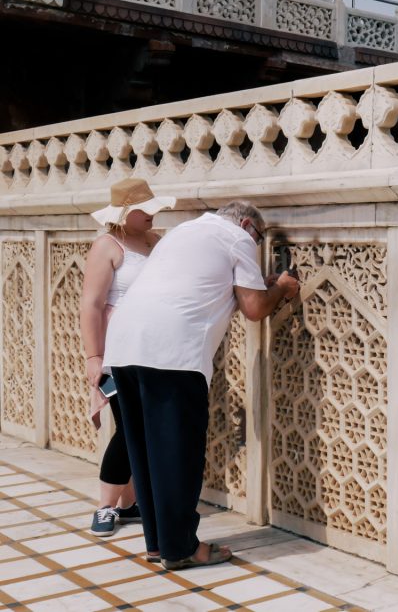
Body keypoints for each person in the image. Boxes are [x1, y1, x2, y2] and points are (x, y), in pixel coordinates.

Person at [104, 201, 299, 570]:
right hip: (172, 351)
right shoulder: (236, 237)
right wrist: (284, 287)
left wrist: (262, 286)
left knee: (145, 452)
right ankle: (182, 548)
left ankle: (160, 544)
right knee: (178, 453)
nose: (254, 245)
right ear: (246, 224)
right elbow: (256, 308)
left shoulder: (184, 231)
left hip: (125, 344)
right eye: (256, 239)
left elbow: (210, 289)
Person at [80, 178, 176, 539]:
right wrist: (93, 356)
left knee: (147, 426)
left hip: (155, 348)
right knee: (127, 428)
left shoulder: (157, 242)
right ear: (126, 212)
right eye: (146, 209)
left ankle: (130, 504)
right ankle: (105, 506)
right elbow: (90, 304)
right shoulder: (107, 245)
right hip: (118, 353)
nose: (154, 215)